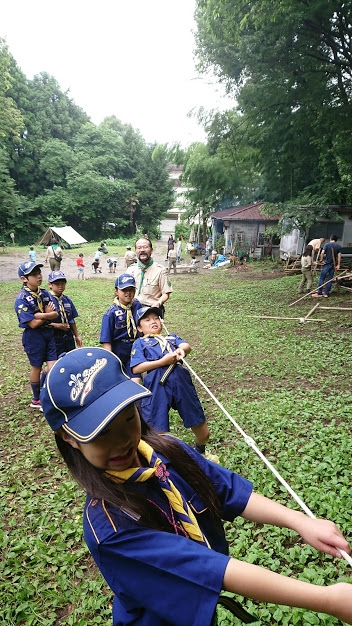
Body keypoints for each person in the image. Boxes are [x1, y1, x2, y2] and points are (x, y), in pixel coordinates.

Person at [40, 347, 352, 626]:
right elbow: (211, 570)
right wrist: (329, 600)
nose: (122, 440)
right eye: (102, 432)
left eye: (127, 418)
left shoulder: (167, 451)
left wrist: (300, 521)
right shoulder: (109, 528)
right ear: (69, 437)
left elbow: (227, 490)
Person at [130, 306, 215, 460]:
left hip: (181, 381)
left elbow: (186, 346)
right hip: (156, 385)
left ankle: (201, 451)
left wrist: (182, 350)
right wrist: (162, 361)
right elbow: (137, 368)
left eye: (156, 318)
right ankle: (159, 464)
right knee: (156, 431)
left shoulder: (171, 338)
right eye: (147, 320)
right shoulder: (140, 343)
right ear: (139, 328)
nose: (153, 321)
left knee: (202, 429)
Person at [14, 261, 57, 410]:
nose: (38, 276)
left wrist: (40, 314)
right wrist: (46, 314)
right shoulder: (22, 299)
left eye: (39, 273)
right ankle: (36, 398)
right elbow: (32, 323)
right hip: (33, 337)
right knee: (36, 367)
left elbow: (55, 313)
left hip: (48, 333)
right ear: (24, 279)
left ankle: (45, 391)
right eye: (34, 274)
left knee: (52, 366)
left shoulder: (44, 293)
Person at [100, 274, 143, 379]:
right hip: (119, 349)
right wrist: (110, 360)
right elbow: (107, 340)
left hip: (136, 347)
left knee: (136, 379)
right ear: (116, 291)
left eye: (131, 289)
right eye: (124, 290)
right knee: (119, 378)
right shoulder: (110, 313)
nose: (128, 293)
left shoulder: (137, 305)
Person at [130, 237, 172, 318]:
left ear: (151, 250)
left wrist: (158, 303)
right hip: (133, 309)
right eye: (139, 248)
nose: (142, 250)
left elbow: (166, 293)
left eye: (145, 247)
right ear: (136, 251)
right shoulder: (131, 269)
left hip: (152, 310)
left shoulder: (160, 270)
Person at [48, 270, 82, 357]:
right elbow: (42, 323)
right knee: (56, 363)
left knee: (71, 358)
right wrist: (58, 325)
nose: (60, 286)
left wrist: (77, 335)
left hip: (68, 336)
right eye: (57, 283)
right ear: (50, 285)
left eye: (63, 283)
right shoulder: (47, 300)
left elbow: (71, 320)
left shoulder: (66, 300)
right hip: (54, 337)